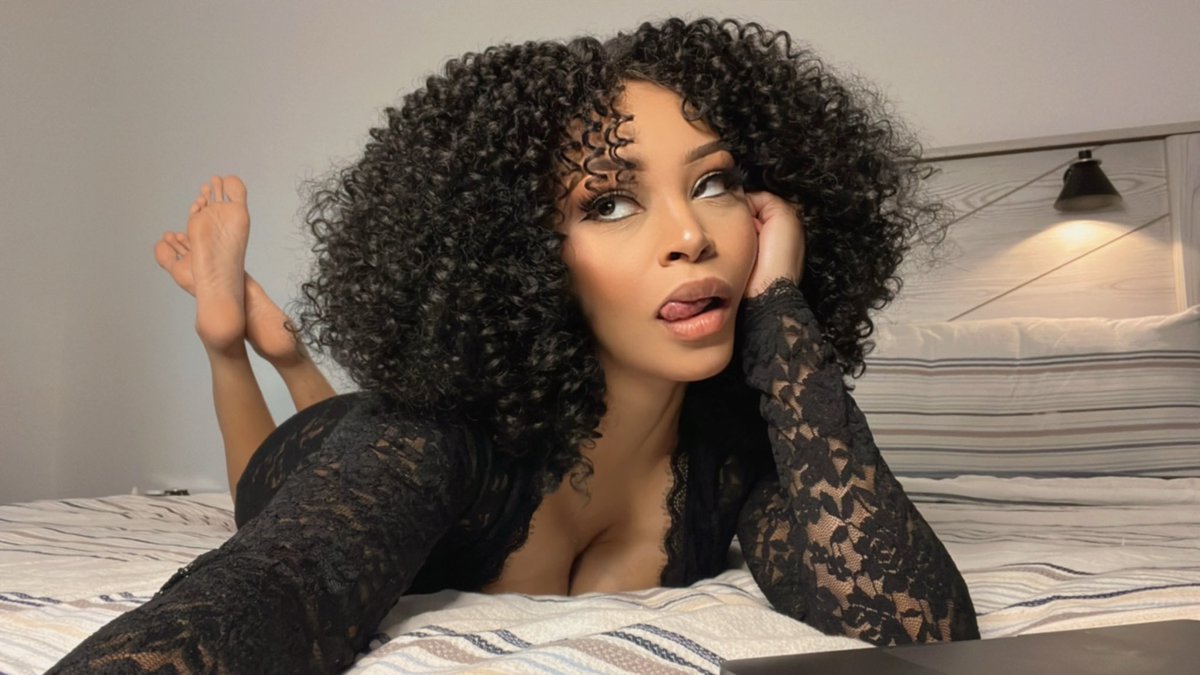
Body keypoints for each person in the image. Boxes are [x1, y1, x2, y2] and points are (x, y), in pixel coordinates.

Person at [50, 16, 978, 673]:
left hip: (392, 431)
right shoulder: (425, 444)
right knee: (271, 483)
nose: (690, 237)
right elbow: (271, 587)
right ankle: (232, 341)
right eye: (607, 202)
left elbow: (919, 629)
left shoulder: (739, 452)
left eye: (714, 183)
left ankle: (286, 353)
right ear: (519, 253)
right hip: (337, 446)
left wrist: (779, 308)